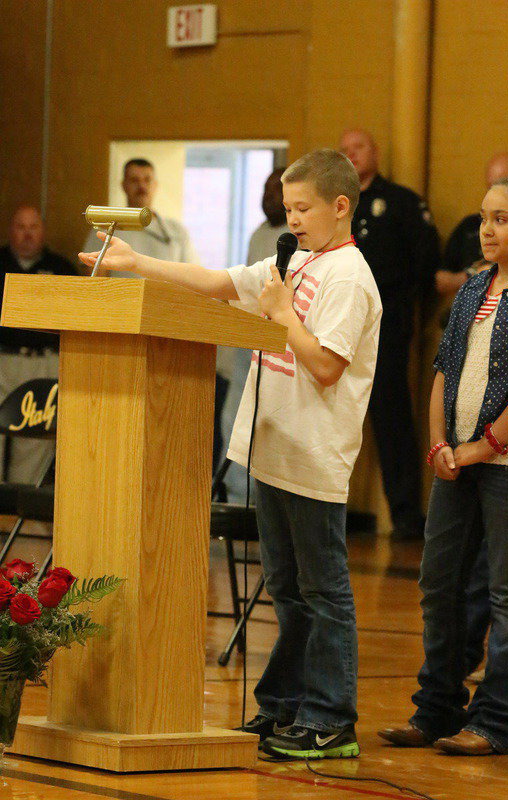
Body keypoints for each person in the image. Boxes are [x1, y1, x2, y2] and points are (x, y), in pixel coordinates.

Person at [80, 148, 382, 760]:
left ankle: (330, 718)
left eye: (303, 208)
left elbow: (325, 364)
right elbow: (222, 282)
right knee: (286, 590)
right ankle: (282, 708)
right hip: (271, 448)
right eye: (288, 208)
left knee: (322, 592)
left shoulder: (349, 275)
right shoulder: (293, 260)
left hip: (313, 455)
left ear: (340, 206)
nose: (291, 219)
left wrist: (278, 315)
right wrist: (138, 261)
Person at [378, 168, 508, 755]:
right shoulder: (473, 287)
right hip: (457, 460)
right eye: (484, 218)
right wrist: (440, 443)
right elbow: (445, 367)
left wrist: (483, 445)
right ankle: (437, 709)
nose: (486, 231)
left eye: (502, 219)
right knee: (438, 584)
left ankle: (498, 722)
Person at [83, 158, 230, 473]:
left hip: (169, 338)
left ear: (155, 185)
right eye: (134, 179)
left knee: (162, 427)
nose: (141, 185)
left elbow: (198, 283)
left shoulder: (173, 231)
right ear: (123, 185)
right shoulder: (105, 230)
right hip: (120, 340)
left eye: (147, 179)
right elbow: (91, 291)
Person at [339, 128, 441, 540]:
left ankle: (404, 514)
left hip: (386, 326)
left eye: (358, 148)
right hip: (338, 326)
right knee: (332, 418)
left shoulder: (399, 201)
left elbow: (425, 259)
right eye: (343, 151)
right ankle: (330, 508)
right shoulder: (337, 206)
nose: (352, 155)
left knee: (392, 418)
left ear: (375, 153)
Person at [221, 167, 290, 503]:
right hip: (245, 337)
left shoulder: (295, 237)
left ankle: (257, 502)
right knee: (232, 419)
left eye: (276, 188)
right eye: (264, 188)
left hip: (278, 342)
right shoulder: (258, 233)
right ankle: (234, 498)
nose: (268, 195)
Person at [0, 205, 76, 482]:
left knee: (35, 436)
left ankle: (21, 510)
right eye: (21, 227)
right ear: (10, 231)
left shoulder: (61, 268)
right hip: (3, 360)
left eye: (33, 227)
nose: (27, 234)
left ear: (43, 231)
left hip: (45, 361)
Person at [435, 153, 508, 298]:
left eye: (505, 188)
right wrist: (472, 275)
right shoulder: (471, 226)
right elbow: (441, 280)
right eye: (492, 188)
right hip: (475, 305)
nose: (487, 231)